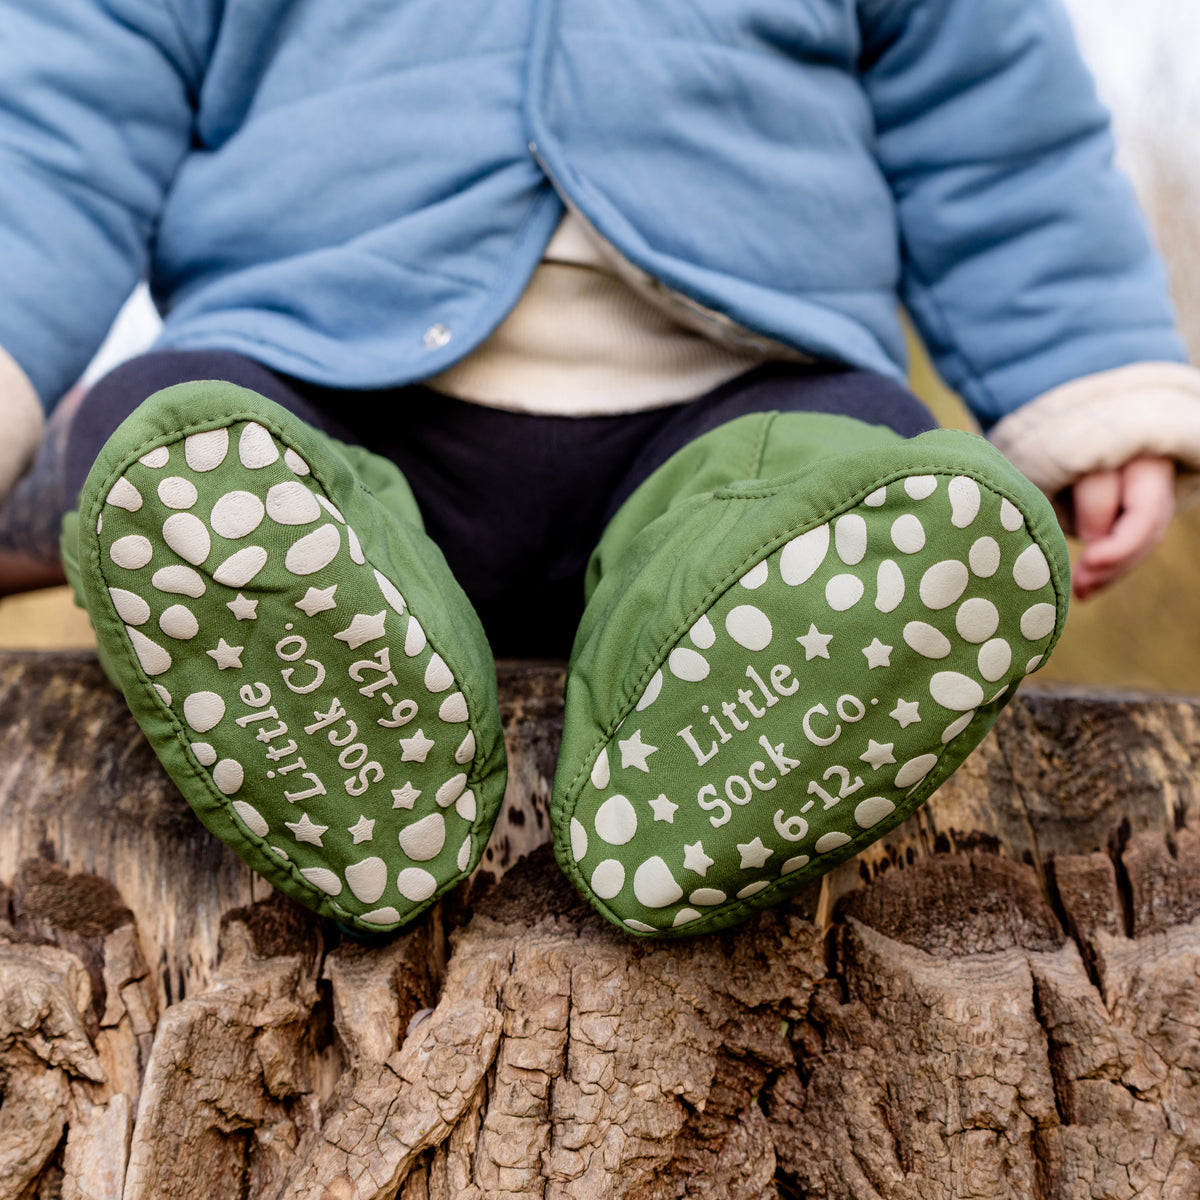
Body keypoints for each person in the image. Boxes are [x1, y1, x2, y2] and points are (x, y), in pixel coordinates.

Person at [0, 0, 1198, 937]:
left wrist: (1091, 378)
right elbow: (54, 133)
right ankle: (358, 747)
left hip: (734, 401)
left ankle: (731, 722)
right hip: (328, 406)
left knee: (854, 462)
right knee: (168, 426)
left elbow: (994, 119)